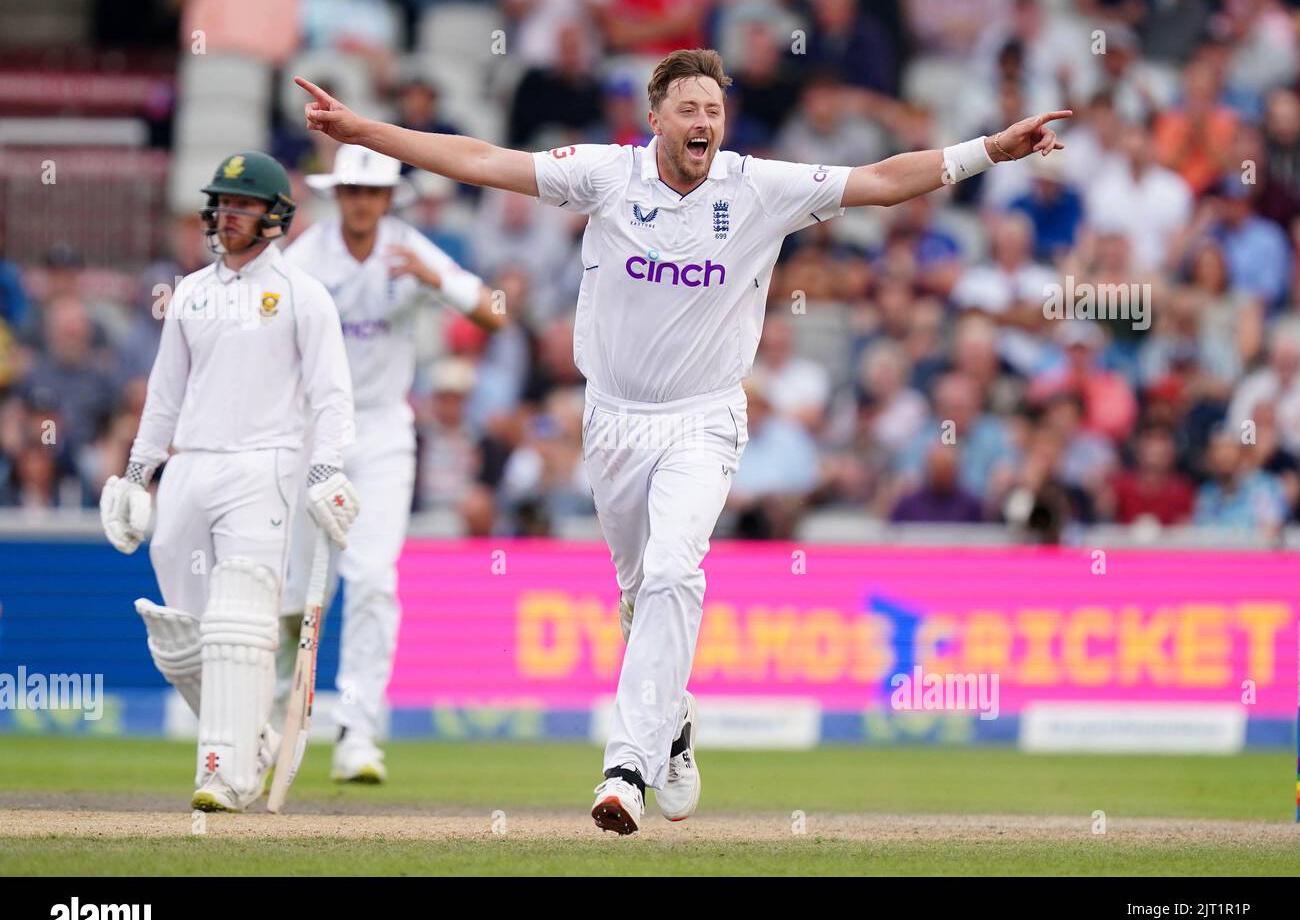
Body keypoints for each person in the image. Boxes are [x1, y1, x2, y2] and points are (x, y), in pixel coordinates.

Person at [293, 49, 1070, 835]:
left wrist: (990, 151)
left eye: (714, 110)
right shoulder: (605, 174)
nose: (704, 122)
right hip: (613, 420)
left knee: (672, 571)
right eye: (689, 109)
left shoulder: (757, 187)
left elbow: (879, 180)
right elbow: (481, 160)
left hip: (703, 417)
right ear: (654, 118)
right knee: (638, 598)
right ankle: (675, 723)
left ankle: (625, 766)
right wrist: (361, 130)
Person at [99, 151, 358, 813]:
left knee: (238, 621)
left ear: (274, 215)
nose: (228, 214)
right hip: (190, 464)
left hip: (264, 465)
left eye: (242, 204)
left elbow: (332, 397)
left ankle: (226, 771)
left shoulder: (304, 294)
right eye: (222, 203)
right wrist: (137, 472)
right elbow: (164, 394)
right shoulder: (190, 291)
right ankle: (256, 739)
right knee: (182, 630)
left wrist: (327, 468)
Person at [277, 144, 504, 783]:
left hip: (381, 434)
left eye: (371, 192)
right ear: (337, 194)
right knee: (299, 597)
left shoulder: (409, 247)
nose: (360, 201)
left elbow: (494, 314)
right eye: (351, 190)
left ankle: (358, 732)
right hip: (312, 431)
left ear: (387, 198)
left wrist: (436, 282)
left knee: (374, 578)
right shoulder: (306, 257)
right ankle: (270, 727)